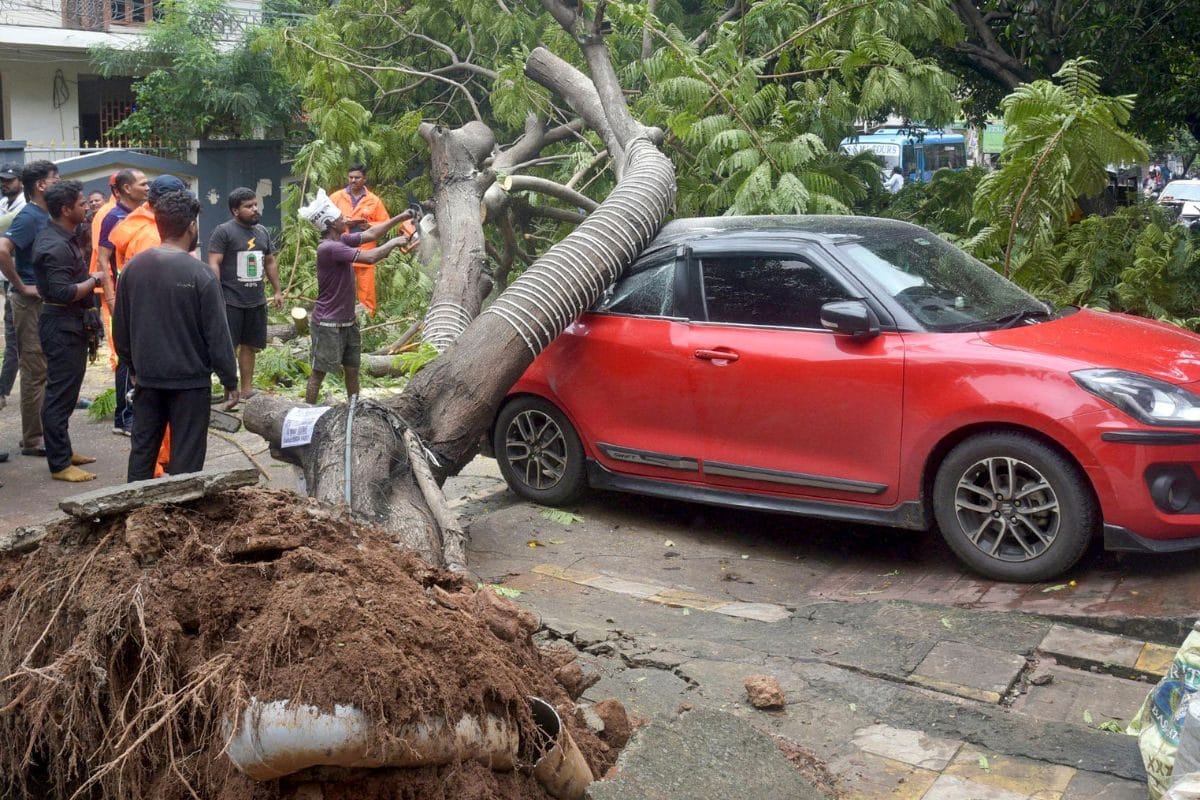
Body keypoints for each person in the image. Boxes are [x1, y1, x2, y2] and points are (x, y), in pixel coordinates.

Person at [114, 190, 238, 482]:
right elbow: (218, 336)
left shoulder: (132, 269)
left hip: (147, 380)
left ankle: (134, 513)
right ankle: (181, 518)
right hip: (191, 385)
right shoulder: (201, 275)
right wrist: (230, 381)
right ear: (191, 227)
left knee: (143, 452)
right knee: (187, 460)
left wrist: (133, 367)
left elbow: (120, 329)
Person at [299, 189, 411, 404]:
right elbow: (370, 257)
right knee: (318, 372)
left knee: (352, 369)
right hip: (328, 323)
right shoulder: (329, 248)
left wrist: (400, 218)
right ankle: (307, 412)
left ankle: (354, 408)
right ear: (331, 224)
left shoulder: (341, 239)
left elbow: (370, 235)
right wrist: (395, 242)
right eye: (342, 218)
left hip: (348, 320)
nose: (346, 219)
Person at [110, 174, 189, 478]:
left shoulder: (136, 226)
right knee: (156, 410)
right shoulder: (149, 237)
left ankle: (160, 463)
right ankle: (155, 471)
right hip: (153, 331)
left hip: (140, 326)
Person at [31, 180, 98, 482]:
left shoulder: (66, 235)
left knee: (68, 391)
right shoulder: (54, 245)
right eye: (82, 204)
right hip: (60, 326)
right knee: (59, 395)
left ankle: (64, 449)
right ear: (65, 209)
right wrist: (93, 281)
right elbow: (62, 292)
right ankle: (59, 464)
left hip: (71, 324)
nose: (86, 207)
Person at [0, 160, 59, 459]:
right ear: (41, 185)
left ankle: (41, 433)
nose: (59, 182)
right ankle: (33, 439)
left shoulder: (44, 215)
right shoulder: (29, 216)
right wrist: (22, 286)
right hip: (28, 302)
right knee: (35, 369)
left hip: (42, 301)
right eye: (55, 178)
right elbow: (2, 249)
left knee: (44, 368)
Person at [207, 187, 281, 399]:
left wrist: (277, 291)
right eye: (249, 206)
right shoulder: (223, 232)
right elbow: (214, 263)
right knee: (227, 346)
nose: (255, 209)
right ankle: (228, 388)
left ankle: (247, 389)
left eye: (255, 205)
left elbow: (270, 261)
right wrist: (216, 294)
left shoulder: (262, 232)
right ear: (235, 210)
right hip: (230, 300)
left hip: (256, 300)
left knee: (250, 346)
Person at [96, 169, 149, 436]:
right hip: (122, 299)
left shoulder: (142, 215)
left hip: (141, 298)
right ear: (127, 188)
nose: (147, 187)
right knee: (125, 357)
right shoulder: (114, 217)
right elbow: (103, 261)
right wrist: (111, 297)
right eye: (143, 184)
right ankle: (124, 417)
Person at [329, 163, 391, 316]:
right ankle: (339, 315)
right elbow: (324, 219)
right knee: (340, 288)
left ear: (364, 179)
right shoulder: (336, 197)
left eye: (357, 177)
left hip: (365, 252)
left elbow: (386, 223)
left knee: (367, 290)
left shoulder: (374, 200)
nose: (353, 180)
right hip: (341, 250)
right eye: (350, 177)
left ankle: (368, 317)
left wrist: (371, 225)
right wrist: (343, 221)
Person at [0, 162, 27, 414]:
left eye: (9, 179)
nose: (5, 183)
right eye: (3, 180)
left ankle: (2, 390)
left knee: (18, 341)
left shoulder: (25, 208)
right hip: (8, 278)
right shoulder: (4, 204)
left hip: (21, 279)